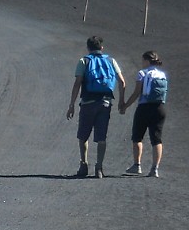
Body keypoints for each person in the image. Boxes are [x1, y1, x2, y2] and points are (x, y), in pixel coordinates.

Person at [66, 36, 126, 178]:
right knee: (101, 137)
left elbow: (77, 83)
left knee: (83, 135)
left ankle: (83, 164)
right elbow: (122, 82)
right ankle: (99, 167)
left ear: (88, 48)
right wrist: (121, 101)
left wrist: (71, 105)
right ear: (102, 48)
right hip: (105, 103)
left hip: (87, 102)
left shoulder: (84, 61)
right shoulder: (111, 61)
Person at [120, 50, 168, 178]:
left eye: (143, 60)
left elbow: (136, 93)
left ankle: (137, 165)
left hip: (144, 108)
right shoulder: (162, 74)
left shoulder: (142, 74)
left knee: (137, 136)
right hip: (160, 108)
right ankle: (155, 168)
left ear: (147, 61)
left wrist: (125, 106)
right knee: (156, 138)